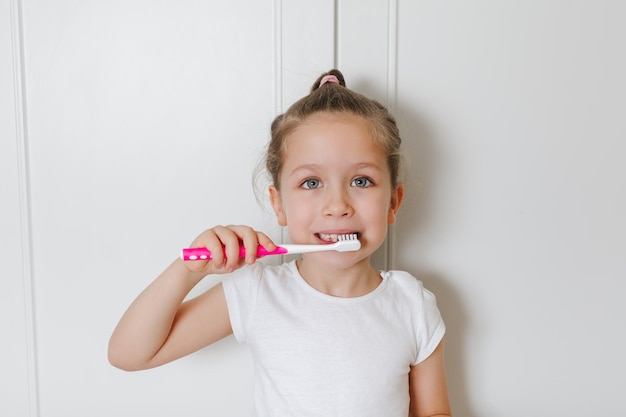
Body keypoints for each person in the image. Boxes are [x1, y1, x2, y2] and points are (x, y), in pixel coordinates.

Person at [108, 69, 452, 417]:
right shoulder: (258, 293)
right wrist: (189, 270)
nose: (337, 206)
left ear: (393, 202)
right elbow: (129, 354)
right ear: (279, 205)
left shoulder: (411, 304)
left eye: (361, 181)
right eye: (311, 183)